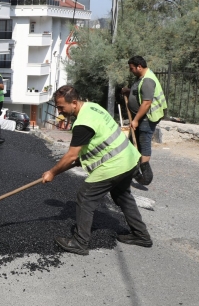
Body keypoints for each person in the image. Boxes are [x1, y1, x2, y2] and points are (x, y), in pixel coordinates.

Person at [42, 85, 152, 255]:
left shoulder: (82, 123)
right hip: (129, 158)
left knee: (85, 197)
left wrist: (52, 172)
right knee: (123, 196)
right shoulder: (93, 107)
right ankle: (141, 235)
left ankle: (80, 242)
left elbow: (71, 155)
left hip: (115, 164)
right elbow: (99, 139)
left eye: (61, 106)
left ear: (74, 103)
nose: (59, 110)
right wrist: (82, 159)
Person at [121, 56, 167, 185]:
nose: (131, 71)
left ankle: (146, 176)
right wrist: (128, 91)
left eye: (132, 68)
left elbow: (146, 103)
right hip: (142, 116)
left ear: (139, 66)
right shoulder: (142, 78)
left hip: (148, 117)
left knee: (143, 143)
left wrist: (135, 120)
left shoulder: (147, 80)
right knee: (133, 143)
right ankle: (132, 170)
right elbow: (140, 93)